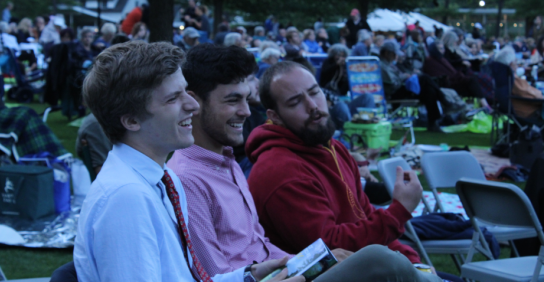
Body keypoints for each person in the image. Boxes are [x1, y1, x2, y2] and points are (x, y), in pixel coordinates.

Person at [169, 45, 440, 282]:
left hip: (287, 271)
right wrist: (398, 211)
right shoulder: (189, 179)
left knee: (391, 262)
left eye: (315, 92)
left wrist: (318, 259)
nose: (247, 111)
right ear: (192, 101)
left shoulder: (228, 162)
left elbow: (262, 246)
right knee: (380, 261)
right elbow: (216, 276)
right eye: (233, 100)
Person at [74, 40, 303, 282]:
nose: (193, 105)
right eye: (173, 98)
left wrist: (249, 276)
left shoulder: (161, 179)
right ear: (131, 120)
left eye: (186, 91)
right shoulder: (126, 198)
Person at [245, 61, 424, 263]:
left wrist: (413, 262)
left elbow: (364, 215)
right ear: (275, 117)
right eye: (295, 102)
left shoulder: (333, 148)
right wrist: (399, 211)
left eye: (315, 92)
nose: (312, 105)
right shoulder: (279, 171)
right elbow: (329, 247)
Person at [0, 40, 68, 189]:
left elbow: (1, 108)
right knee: (25, 113)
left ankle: (45, 159)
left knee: (24, 118)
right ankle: (54, 155)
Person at [379, 42, 446, 131]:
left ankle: (433, 122)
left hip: (400, 89)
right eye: (394, 54)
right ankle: (444, 101)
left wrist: (407, 75)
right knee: (424, 78)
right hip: (394, 92)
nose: (396, 57)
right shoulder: (381, 65)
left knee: (429, 91)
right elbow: (392, 83)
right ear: (387, 53)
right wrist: (405, 76)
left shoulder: (389, 64)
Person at [425, 42, 488, 108]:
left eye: (443, 48)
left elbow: (451, 71)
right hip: (447, 84)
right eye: (440, 48)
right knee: (472, 81)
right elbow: (439, 75)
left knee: (473, 82)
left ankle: (481, 105)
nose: (443, 50)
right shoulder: (430, 61)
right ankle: (485, 105)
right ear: (435, 49)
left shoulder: (441, 58)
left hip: (453, 80)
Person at [494, 46, 544, 121]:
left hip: (515, 110)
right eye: (515, 61)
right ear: (511, 64)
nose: (517, 63)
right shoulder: (513, 79)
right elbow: (535, 97)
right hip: (528, 112)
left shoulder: (503, 78)